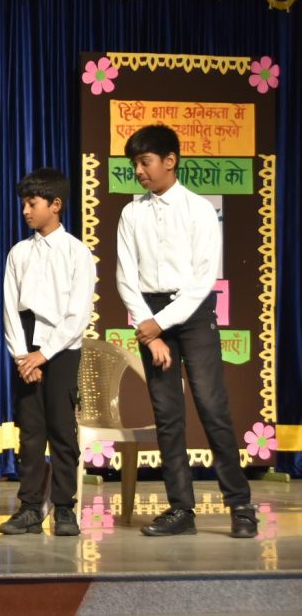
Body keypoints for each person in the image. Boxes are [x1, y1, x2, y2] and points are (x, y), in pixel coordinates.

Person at [116, 124, 256, 538]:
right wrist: (150, 329)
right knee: (167, 414)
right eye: (135, 164)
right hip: (149, 313)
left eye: (145, 162)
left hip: (192, 314)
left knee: (212, 407)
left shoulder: (199, 209)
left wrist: (159, 325)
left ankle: (240, 505)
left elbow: (202, 280)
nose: (139, 171)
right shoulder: (131, 213)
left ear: (170, 161)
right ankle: (181, 509)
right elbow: (125, 276)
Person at [0, 168, 95, 536]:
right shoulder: (19, 252)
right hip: (27, 344)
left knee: (61, 428)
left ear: (55, 205)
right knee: (31, 431)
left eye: (32, 203)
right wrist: (23, 356)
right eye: (23, 204)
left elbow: (78, 314)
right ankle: (29, 507)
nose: (25, 210)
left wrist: (45, 354)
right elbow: (10, 308)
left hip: (62, 347)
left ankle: (64, 507)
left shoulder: (76, 253)